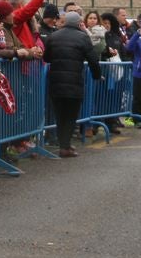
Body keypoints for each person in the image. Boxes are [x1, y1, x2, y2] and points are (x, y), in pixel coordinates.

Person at [43, 11, 101, 157]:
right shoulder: (83, 37)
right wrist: (97, 75)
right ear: (78, 23)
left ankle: (64, 145)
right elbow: (93, 59)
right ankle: (65, 147)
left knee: (59, 115)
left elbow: (47, 57)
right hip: (74, 82)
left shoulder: (53, 36)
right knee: (71, 115)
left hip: (55, 81)